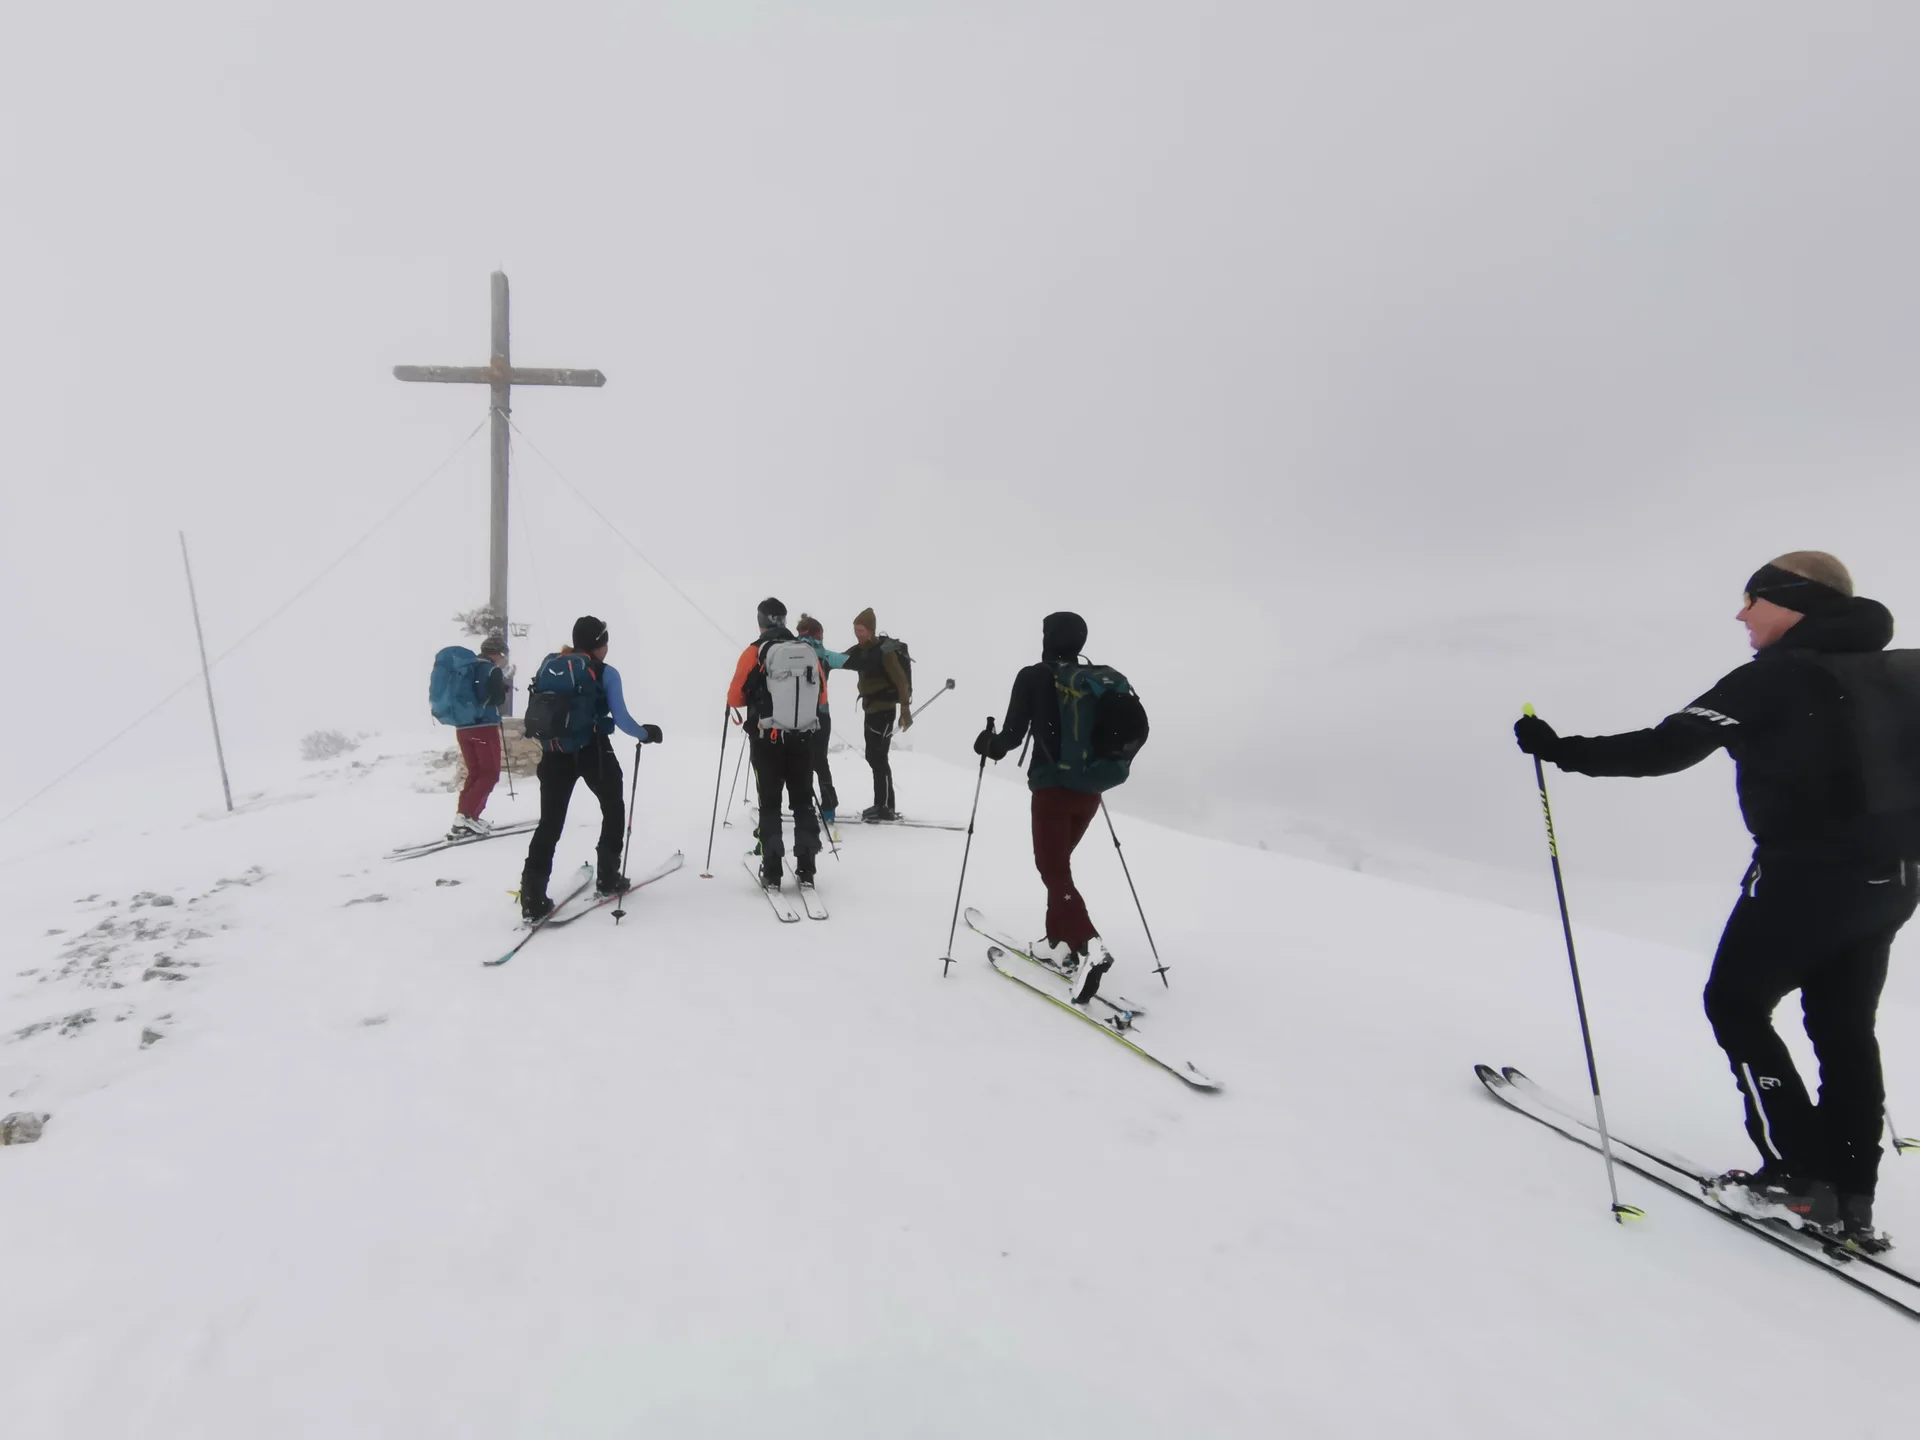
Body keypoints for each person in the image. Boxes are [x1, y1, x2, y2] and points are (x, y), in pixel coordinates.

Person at [1514, 552, 1915, 1247]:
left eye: (1752, 599)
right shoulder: (1907, 671)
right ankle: (1851, 1196)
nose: (1742, 614)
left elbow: (1669, 747)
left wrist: (1560, 749)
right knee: (1844, 1028)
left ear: (1794, 601)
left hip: (1805, 880)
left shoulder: (1776, 677)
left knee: (1735, 1002)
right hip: (1895, 883)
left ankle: (1797, 1181)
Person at [974, 610, 1115, 1006]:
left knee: (1052, 868)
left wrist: (987, 743)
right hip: (1090, 791)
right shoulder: (1093, 680)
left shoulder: (1034, 676)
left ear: (1048, 637)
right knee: (1059, 866)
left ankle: (1089, 945)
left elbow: (1010, 739)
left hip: (1053, 788)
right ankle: (1057, 942)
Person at [519, 616, 663, 921]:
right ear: (600, 643)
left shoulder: (552, 665)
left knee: (550, 823)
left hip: (554, 753)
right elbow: (622, 719)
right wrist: (646, 734)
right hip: (593, 751)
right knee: (613, 808)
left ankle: (532, 896)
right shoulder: (605, 672)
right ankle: (608, 877)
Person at [727, 598, 824, 891]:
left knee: (770, 804)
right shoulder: (806, 651)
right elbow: (821, 696)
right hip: (803, 738)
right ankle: (806, 868)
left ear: (761, 621)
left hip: (767, 740)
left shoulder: (755, 651)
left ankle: (771, 870)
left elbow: (734, 699)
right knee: (803, 802)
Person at [841, 607, 912, 820]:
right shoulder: (861, 651)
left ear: (871, 629)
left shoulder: (885, 652)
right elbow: (840, 659)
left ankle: (883, 806)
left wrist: (905, 710)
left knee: (877, 756)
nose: (857, 633)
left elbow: (901, 681)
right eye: (855, 629)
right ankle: (884, 805)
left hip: (884, 711)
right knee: (876, 756)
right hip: (871, 711)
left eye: (861, 630)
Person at [449, 637, 510, 839]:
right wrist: (502, 688)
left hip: (462, 728)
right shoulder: (491, 670)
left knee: (476, 773)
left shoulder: (467, 668)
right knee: (490, 773)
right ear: (497, 654)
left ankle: (469, 817)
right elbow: (495, 698)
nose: (502, 659)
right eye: (502, 655)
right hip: (483, 727)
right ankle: (465, 816)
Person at [795, 614, 849, 825]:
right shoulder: (825, 655)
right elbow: (848, 661)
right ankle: (828, 807)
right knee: (821, 761)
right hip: (822, 715)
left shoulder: (789, 652)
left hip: (798, 716)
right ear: (818, 634)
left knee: (802, 761)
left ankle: (806, 805)